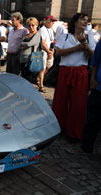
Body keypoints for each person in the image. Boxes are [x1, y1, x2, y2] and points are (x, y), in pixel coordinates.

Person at [52, 13, 96, 141]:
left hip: (80, 72)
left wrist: (86, 47)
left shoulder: (90, 37)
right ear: (75, 21)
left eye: (87, 21)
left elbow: (93, 57)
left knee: (78, 104)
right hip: (65, 71)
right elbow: (58, 52)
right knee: (60, 101)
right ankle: (59, 128)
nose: (85, 22)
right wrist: (77, 47)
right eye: (83, 20)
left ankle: (74, 133)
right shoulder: (65, 36)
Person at [67, 39, 101, 154]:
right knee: (91, 119)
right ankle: (86, 147)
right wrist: (92, 80)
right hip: (98, 89)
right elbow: (95, 62)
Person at [38, 15, 56, 93]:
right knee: (42, 68)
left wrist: (52, 51)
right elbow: (43, 42)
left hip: (49, 51)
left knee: (48, 66)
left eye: (53, 21)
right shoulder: (42, 29)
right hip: (43, 51)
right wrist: (48, 52)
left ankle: (38, 79)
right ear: (47, 21)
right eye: (51, 21)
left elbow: (52, 41)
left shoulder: (51, 30)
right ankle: (41, 85)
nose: (52, 23)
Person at [19, 17, 41, 81]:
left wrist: (23, 44)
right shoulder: (27, 34)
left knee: (28, 79)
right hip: (22, 59)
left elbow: (30, 43)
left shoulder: (37, 34)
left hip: (30, 59)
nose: (31, 27)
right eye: (29, 25)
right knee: (22, 78)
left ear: (37, 25)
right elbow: (19, 44)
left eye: (33, 25)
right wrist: (22, 44)